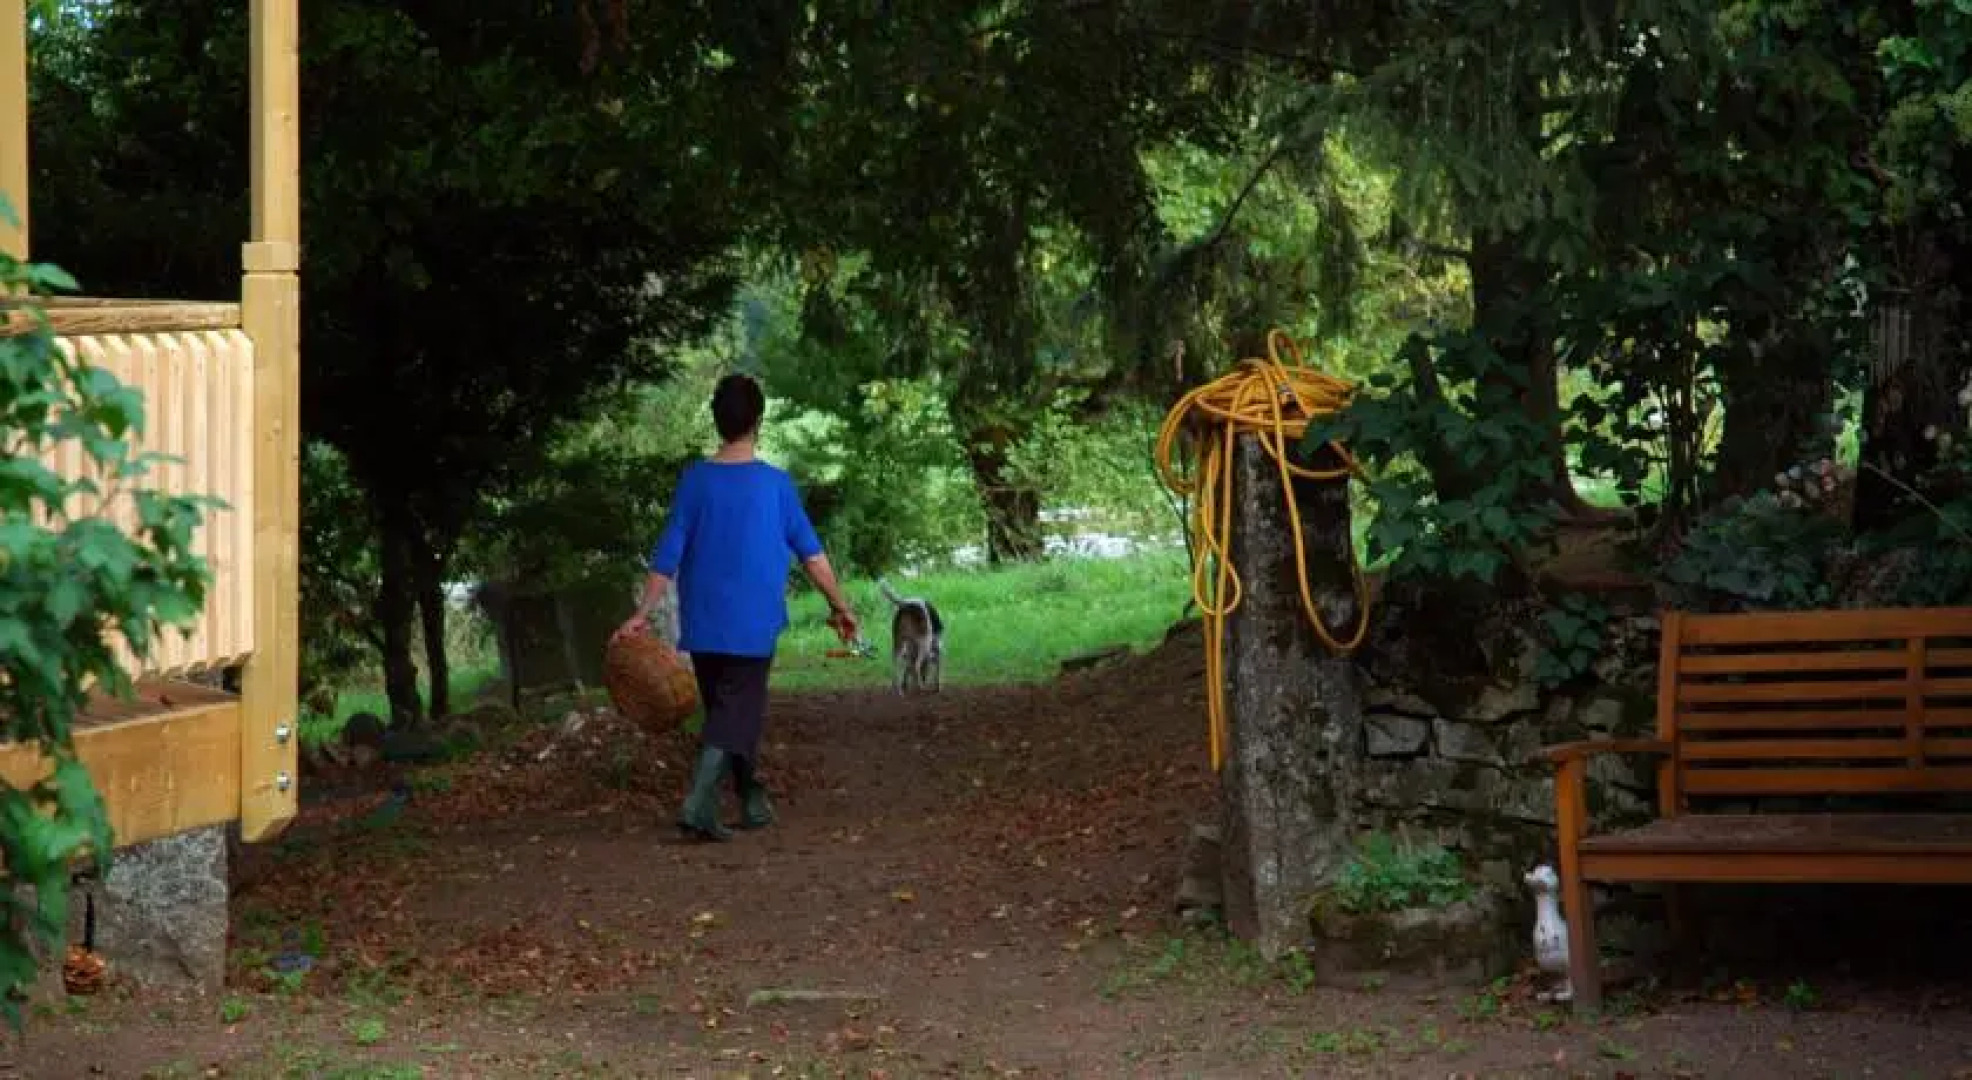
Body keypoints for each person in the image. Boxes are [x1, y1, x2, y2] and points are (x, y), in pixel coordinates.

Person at [616, 373, 860, 841]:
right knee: (735, 716)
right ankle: (698, 805)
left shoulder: (695, 482)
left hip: (704, 620)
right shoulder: (776, 486)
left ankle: (751, 800)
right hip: (752, 623)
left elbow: (669, 551)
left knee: (728, 714)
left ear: (716, 420)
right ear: (758, 422)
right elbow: (812, 554)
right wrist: (840, 605)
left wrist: (642, 612)